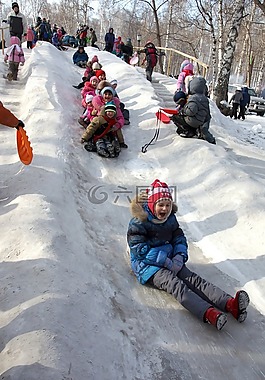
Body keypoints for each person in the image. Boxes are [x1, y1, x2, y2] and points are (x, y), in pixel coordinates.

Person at [127, 178, 250, 331]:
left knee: (193, 279)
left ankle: (230, 304)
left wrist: (179, 256)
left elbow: (179, 238)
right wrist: (164, 261)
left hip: (171, 259)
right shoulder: (139, 222)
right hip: (147, 266)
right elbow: (138, 249)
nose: (164, 209)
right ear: (152, 205)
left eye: (168, 205)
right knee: (175, 284)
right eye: (160, 205)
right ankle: (208, 313)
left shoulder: (170, 218)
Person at [171, 76, 216, 144]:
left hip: (192, 121)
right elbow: (207, 113)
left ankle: (188, 131)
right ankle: (196, 131)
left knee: (176, 117)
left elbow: (191, 111)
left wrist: (183, 111)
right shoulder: (205, 99)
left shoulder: (193, 98)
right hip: (200, 121)